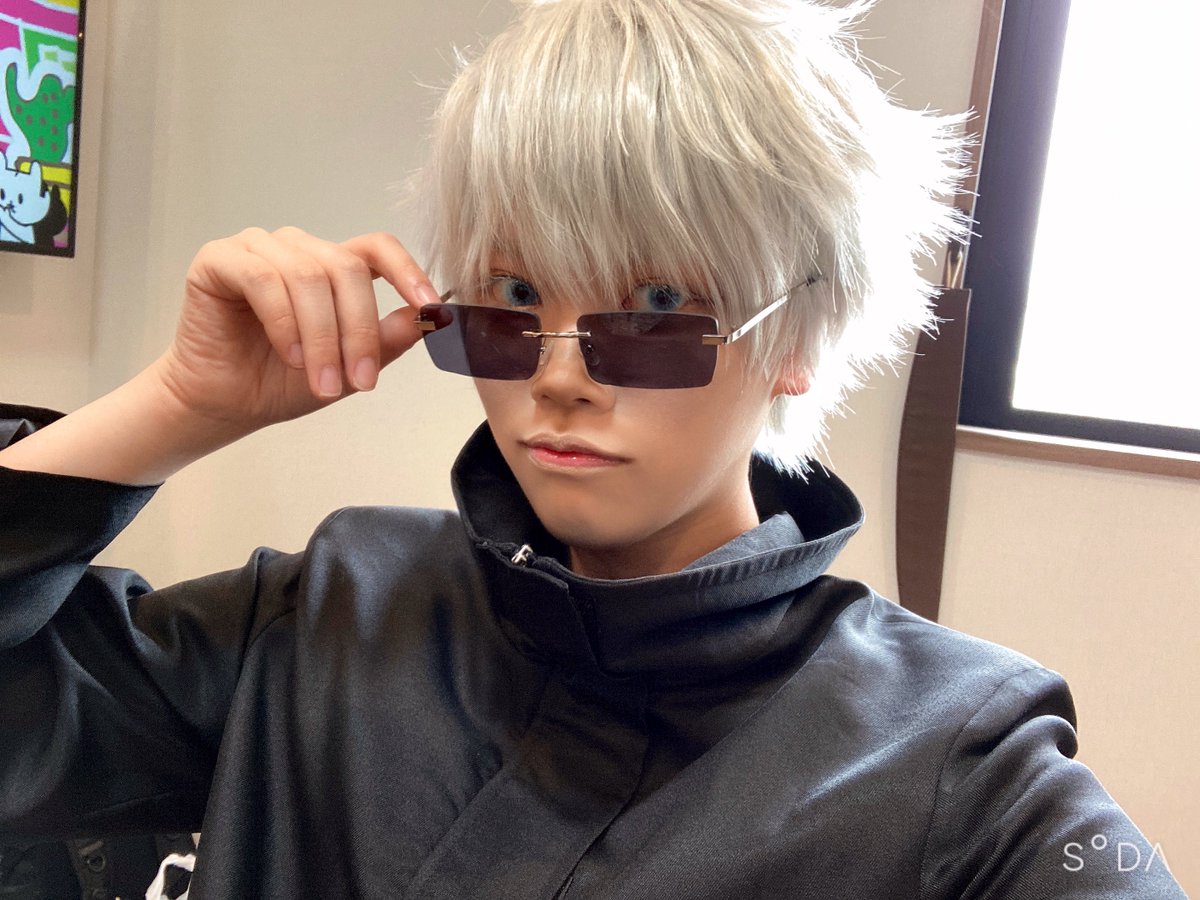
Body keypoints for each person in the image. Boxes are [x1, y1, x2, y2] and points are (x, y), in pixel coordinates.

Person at [0, 0, 1185, 897]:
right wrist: (178, 403)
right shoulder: (334, 612)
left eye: (655, 311)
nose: (558, 377)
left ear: (797, 341)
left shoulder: (953, 762)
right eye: (513, 303)